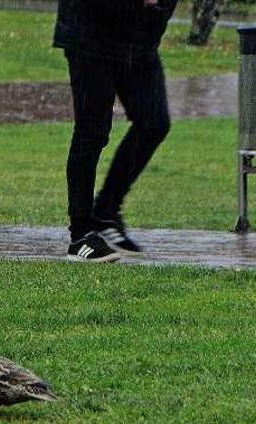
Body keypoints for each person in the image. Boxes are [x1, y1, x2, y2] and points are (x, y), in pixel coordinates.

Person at [53, 0, 178, 262]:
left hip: (137, 38)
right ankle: (81, 236)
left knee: (154, 122)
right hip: (90, 32)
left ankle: (106, 212)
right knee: (92, 130)